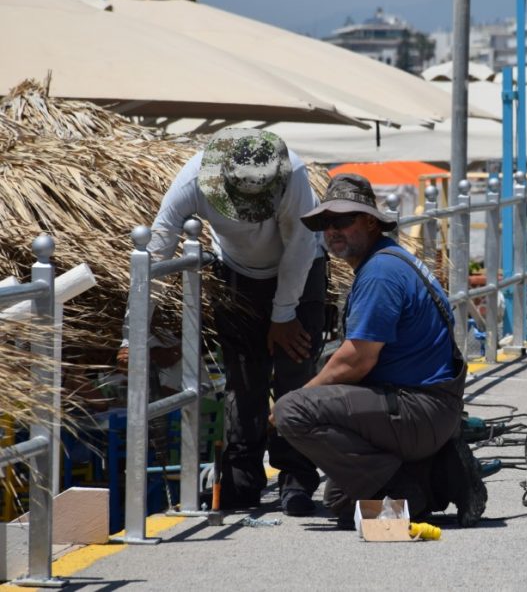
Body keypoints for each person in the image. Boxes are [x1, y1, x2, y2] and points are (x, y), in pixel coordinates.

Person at [120, 128, 326, 517]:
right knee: (243, 382)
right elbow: (156, 255)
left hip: (301, 271)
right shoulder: (193, 179)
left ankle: (297, 479)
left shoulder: (293, 174)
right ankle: (241, 482)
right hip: (237, 277)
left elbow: (301, 246)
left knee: (294, 376)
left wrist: (284, 314)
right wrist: (133, 334)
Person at [272, 173, 487, 528]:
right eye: (325, 222)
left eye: (341, 220)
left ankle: (409, 483)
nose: (331, 231)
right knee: (342, 503)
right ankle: (435, 475)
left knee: (291, 411)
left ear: (370, 221)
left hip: (420, 409)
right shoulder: (390, 259)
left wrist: (299, 396)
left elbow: (357, 359)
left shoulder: (379, 274)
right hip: (430, 409)